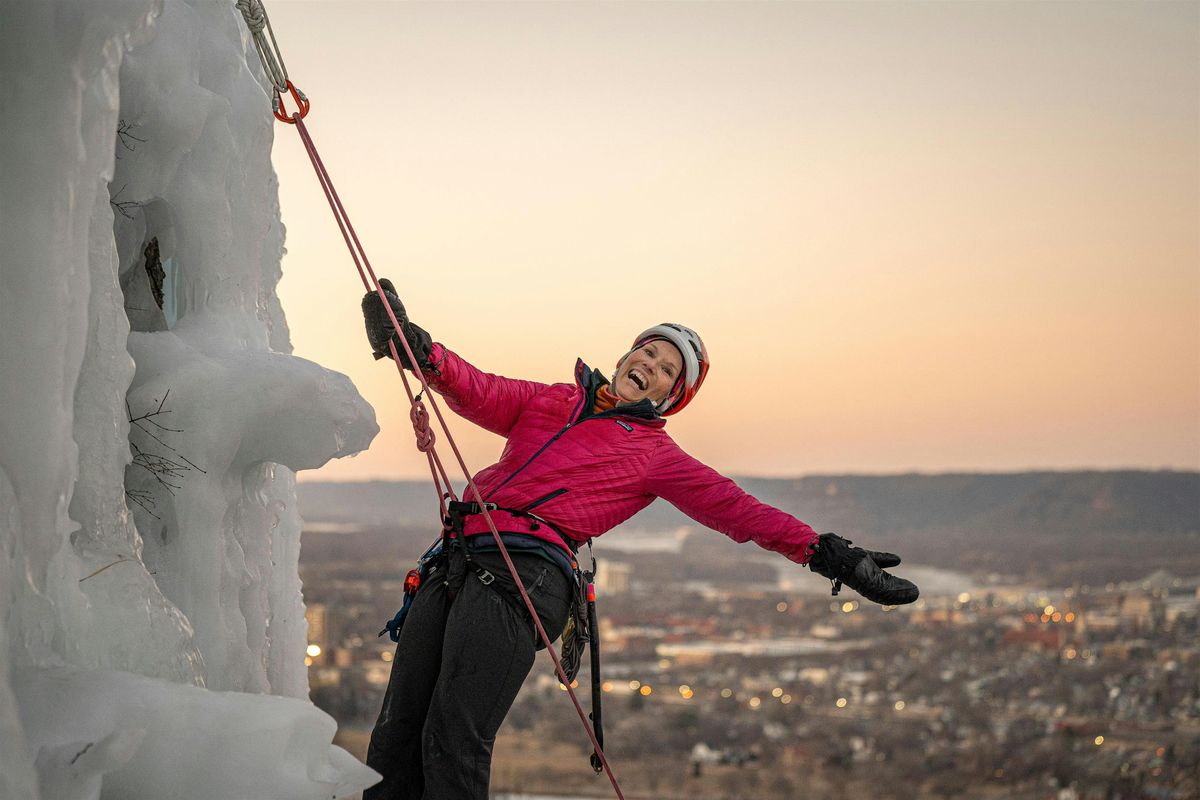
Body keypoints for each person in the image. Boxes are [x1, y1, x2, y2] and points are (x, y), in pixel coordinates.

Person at [359, 280, 918, 800]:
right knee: (396, 730)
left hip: (525, 574)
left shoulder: (654, 455)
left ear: (672, 396)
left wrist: (827, 554)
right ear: (626, 357)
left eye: (667, 369)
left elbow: (738, 509)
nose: (650, 365)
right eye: (647, 353)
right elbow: (479, 389)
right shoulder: (552, 399)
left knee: (453, 735)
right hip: (457, 558)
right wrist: (418, 349)